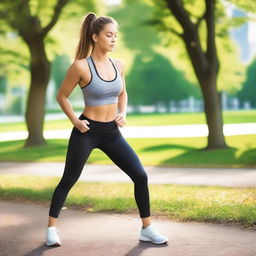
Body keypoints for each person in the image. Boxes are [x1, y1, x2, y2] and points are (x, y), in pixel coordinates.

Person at [45, 12, 168, 247]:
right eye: (109, 35)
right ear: (95, 37)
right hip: (87, 131)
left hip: (111, 132)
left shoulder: (118, 64)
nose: (114, 40)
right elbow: (61, 96)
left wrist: (123, 113)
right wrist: (75, 121)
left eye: (116, 35)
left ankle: (147, 228)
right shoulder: (80, 66)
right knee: (69, 178)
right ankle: (51, 229)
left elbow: (123, 92)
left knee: (140, 175)